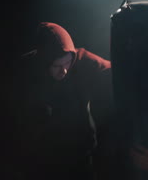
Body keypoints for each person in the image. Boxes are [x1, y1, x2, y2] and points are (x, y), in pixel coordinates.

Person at [12, 22, 113, 180]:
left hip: (81, 155)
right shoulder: (26, 70)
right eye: (56, 65)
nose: (64, 70)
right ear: (44, 62)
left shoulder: (81, 60)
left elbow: (112, 70)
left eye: (67, 62)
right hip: (42, 159)